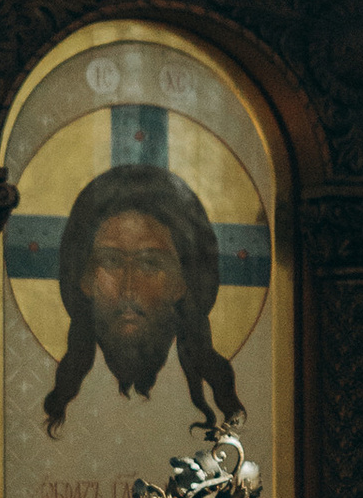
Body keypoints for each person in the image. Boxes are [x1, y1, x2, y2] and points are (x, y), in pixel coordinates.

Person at [41, 164, 243, 441]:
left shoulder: (205, 403)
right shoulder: (67, 403)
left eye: (150, 263)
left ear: (181, 282)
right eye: (111, 261)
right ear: (84, 278)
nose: (128, 287)